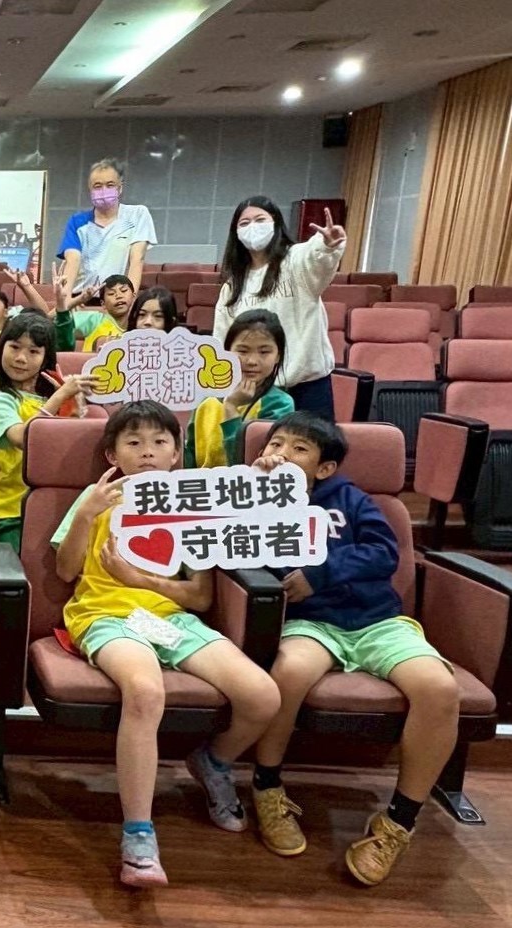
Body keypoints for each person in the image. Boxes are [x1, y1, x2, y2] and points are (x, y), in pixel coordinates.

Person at [51, 401, 280, 887]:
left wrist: (140, 579)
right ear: (112, 453)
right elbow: (66, 571)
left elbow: (200, 596)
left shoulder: (189, 505)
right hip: (105, 615)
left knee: (262, 695)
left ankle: (213, 762)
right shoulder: (94, 498)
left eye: (159, 442)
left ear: (177, 453)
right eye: (133, 443)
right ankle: (138, 834)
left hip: (169, 618)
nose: (147, 453)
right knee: (145, 690)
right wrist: (86, 515)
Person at [249, 414, 459, 886]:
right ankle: (266, 787)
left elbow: (384, 554)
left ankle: (397, 822)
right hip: (309, 623)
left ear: (324, 468)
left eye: (298, 449)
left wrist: (320, 573)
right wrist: (258, 495)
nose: (282, 454)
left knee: (439, 689)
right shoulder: (251, 499)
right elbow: (239, 555)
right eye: (275, 444)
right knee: (287, 674)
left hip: (375, 621)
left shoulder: (352, 500)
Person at [213, 198, 346, 421]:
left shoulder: (295, 261)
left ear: (275, 223)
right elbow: (221, 341)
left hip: (306, 387)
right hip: (256, 390)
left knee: (313, 442)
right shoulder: (232, 287)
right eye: (244, 223)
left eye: (260, 220)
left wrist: (328, 246)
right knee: (256, 443)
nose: (252, 227)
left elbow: (317, 258)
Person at [0, 314, 86, 551]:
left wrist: (73, 404)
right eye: (14, 347)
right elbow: (23, 438)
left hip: (51, 508)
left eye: (33, 351)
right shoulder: (1, 401)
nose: (21, 358)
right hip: (7, 513)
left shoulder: (49, 399)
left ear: (45, 358)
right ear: (1, 348)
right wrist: (59, 396)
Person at [185, 310, 294, 468]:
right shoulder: (206, 398)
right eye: (242, 351)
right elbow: (189, 455)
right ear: (227, 352)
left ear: (278, 355)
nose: (252, 361)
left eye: (264, 352)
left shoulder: (279, 404)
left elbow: (245, 464)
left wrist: (231, 407)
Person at [57, 157, 157, 293]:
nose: (104, 191)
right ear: (90, 190)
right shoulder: (77, 222)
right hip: (81, 297)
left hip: (117, 297)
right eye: (97, 186)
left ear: (120, 188)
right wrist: (66, 298)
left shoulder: (137, 215)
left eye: (110, 185)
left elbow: (137, 260)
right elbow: (72, 260)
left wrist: (130, 297)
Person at [55, 274, 135, 351]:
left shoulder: (138, 326)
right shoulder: (94, 320)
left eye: (123, 291)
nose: (119, 296)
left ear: (134, 297)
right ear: (103, 304)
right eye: (111, 293)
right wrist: (66, 302)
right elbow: (59, 325)